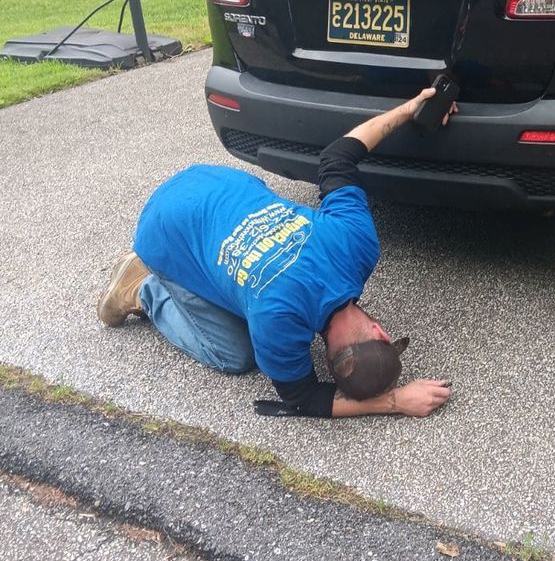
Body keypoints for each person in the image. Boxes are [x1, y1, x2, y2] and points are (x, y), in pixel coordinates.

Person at [97, 87, 455, 419]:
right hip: (163, 231)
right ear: (325, 359)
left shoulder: (357, 245)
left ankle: (151, 284)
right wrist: (394, 402)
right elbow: (304, 398)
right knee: (234, 356)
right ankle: (145, 289)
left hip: (214, 181)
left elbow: (337, 157)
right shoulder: (277, 325)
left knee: (247, 311)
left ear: (379, 331)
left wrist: (413, 107)